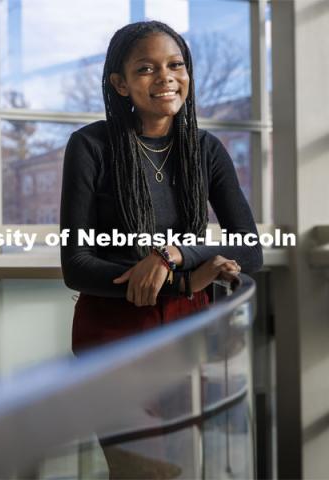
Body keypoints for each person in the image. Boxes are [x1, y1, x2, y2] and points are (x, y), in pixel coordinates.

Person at [59, 20, 262, 477]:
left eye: (175, 65)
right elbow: (76, 264)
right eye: (146, 68)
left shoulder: (207, 150)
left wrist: (173, 256)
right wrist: (188, 279)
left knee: (186, 468)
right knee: (142, 472)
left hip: (192, 335)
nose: (165, 77)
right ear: (121, 83)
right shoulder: (90, 146)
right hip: (112, 337)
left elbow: (249, 249)